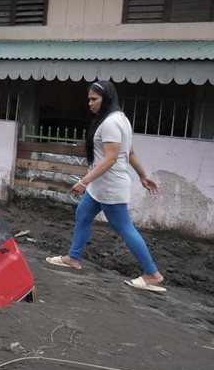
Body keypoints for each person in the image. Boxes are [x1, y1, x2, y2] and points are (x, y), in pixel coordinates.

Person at [45, 80, 165, 292]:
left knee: (125, 228)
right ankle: (73, 258)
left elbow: (110, 159)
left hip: (109, 186)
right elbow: (130, 154)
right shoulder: (121, 119)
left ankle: (152, 274)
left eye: (94, 99)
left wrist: (84, 181)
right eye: (89, 99)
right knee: (83, 215)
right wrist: (143, 176)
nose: (89, 103)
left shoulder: (110, 123)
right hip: (100, 186)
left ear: (106, 99)